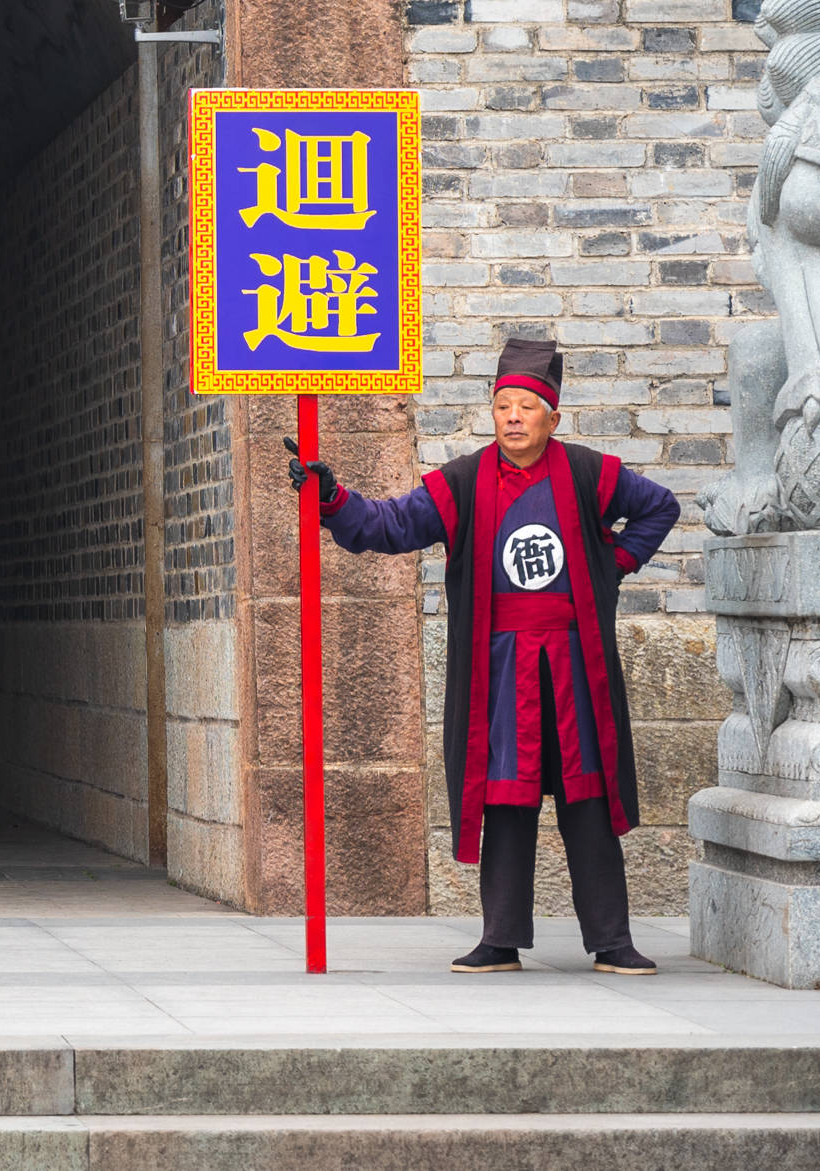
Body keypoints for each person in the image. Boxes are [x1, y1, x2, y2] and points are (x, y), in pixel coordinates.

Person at [289, 336, 678, 975]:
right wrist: (334, 499)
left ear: (552, 418)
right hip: (500, 672)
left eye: (527, 406)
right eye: (504, 407)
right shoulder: (465, 482)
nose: (515, 418)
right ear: (492, 415)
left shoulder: (587, 473)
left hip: (575, 666)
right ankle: (500, 939)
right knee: (507, 793)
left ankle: (612, 941)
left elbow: (658, 507)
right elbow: (391, 525)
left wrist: (614, 565)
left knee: (588, 792)